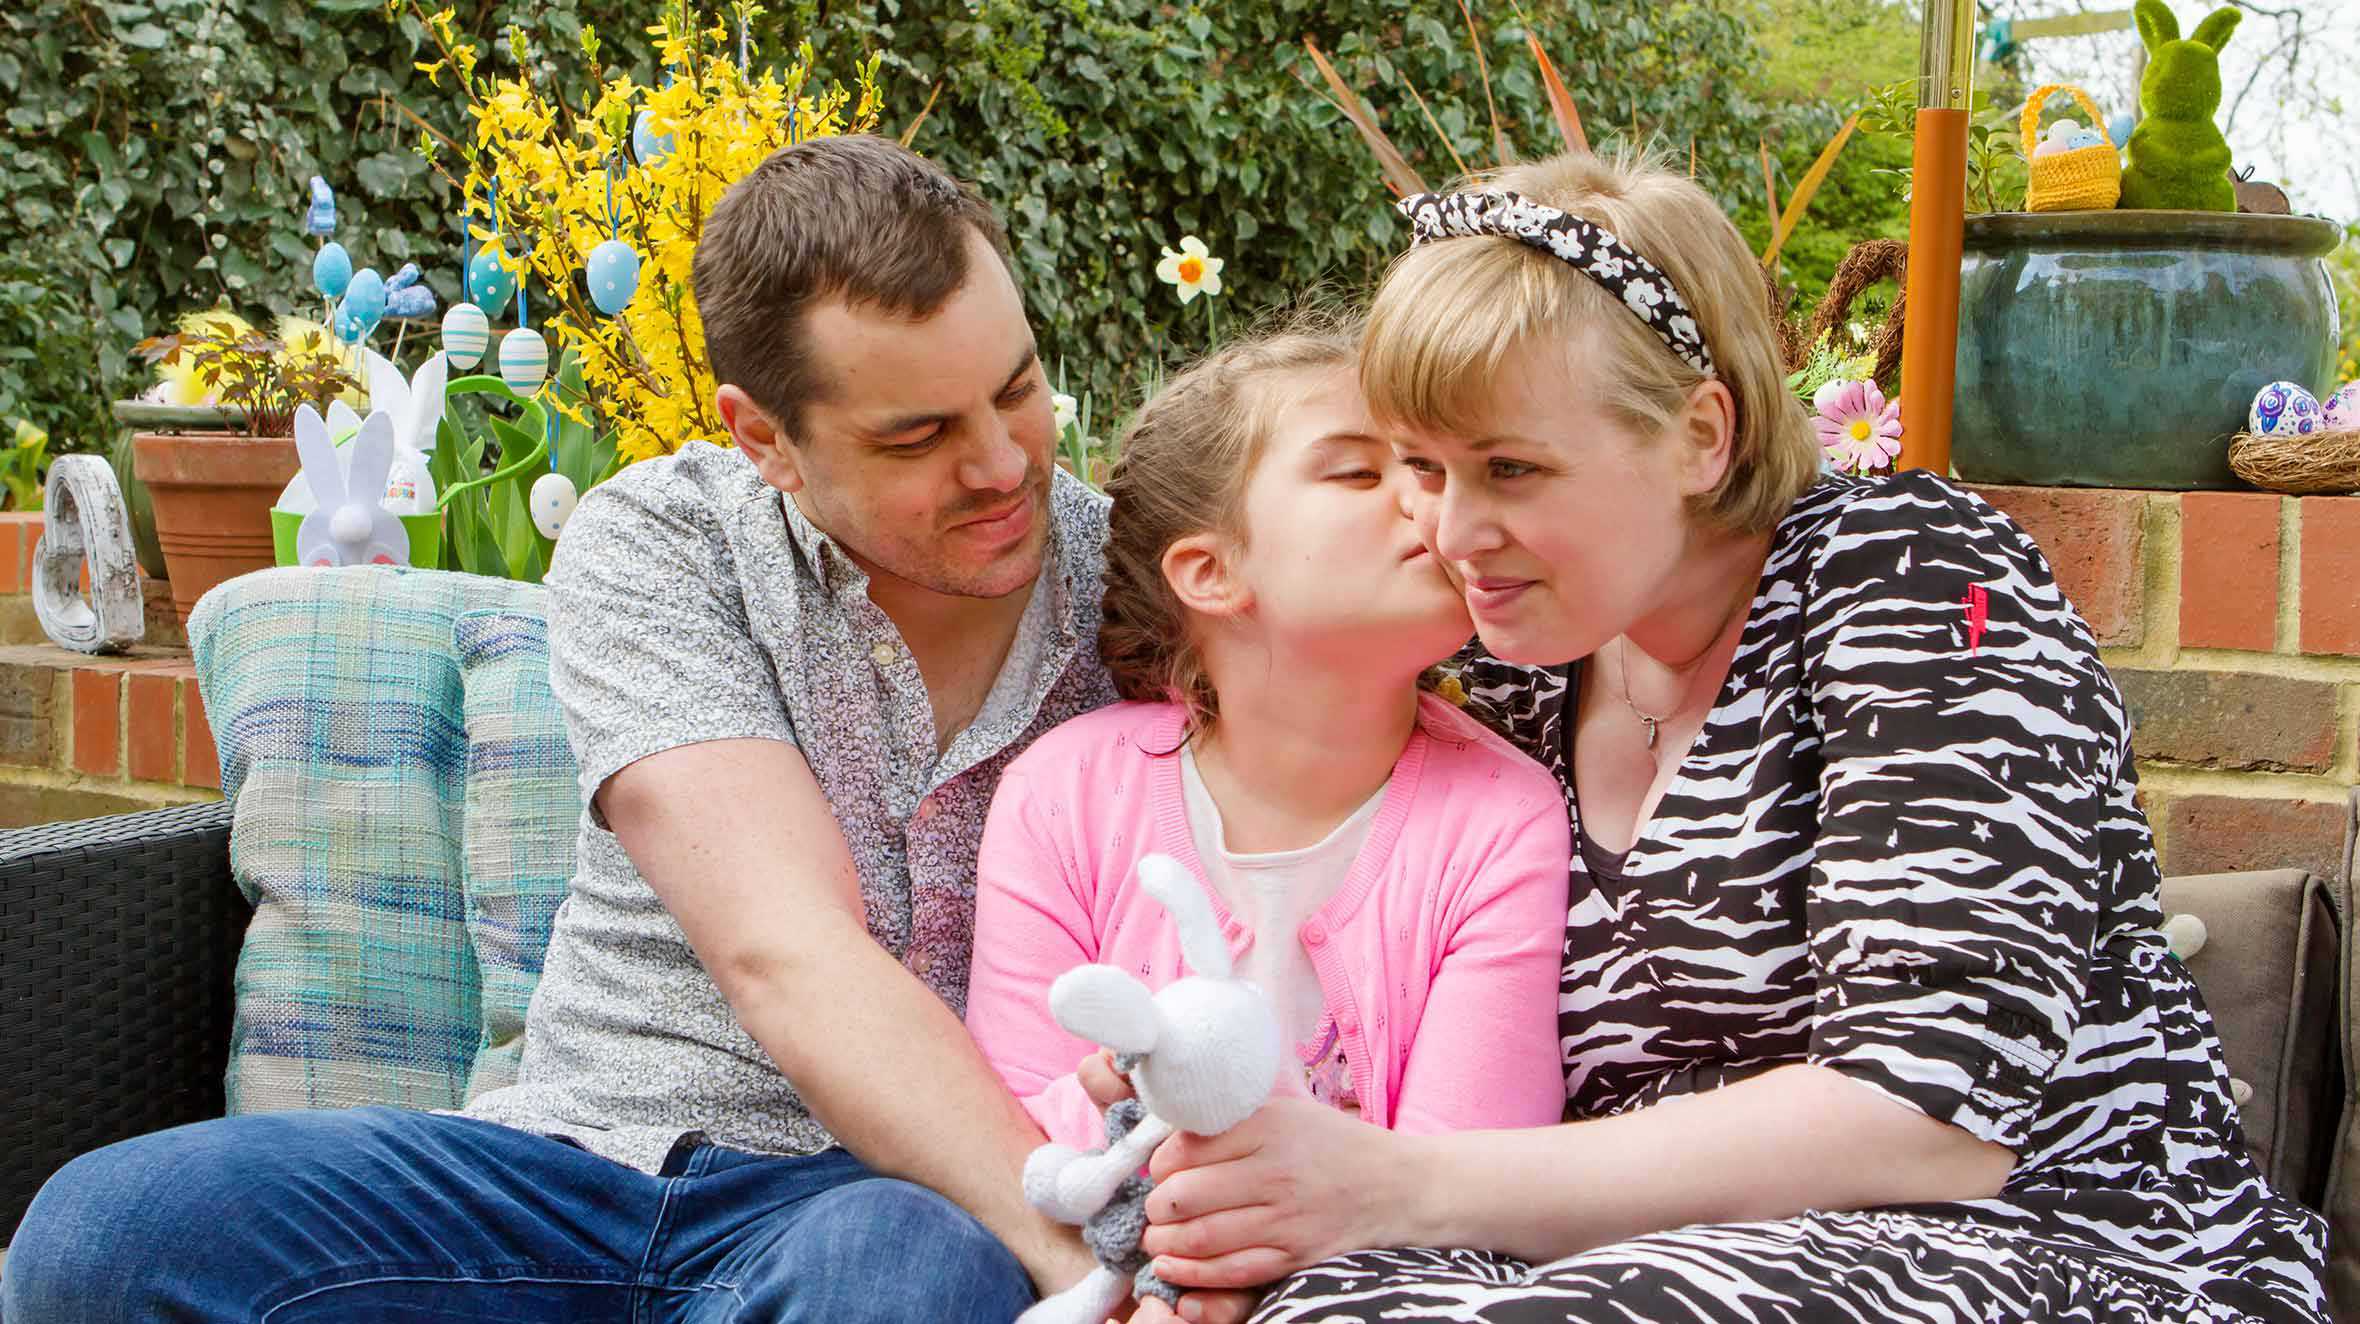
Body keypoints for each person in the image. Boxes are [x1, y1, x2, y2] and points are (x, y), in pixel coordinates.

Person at [1125, 150, 2333, 1324]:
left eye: (1509, 468)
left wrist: (1400, 1186)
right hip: (1648, 1262)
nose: (1452, 528)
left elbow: (1926, 1119)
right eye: (1420, 469)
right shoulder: (1519, 689)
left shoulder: (1912, 579)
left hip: (2057, 1243)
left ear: (1701, 434)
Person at [3, 135, 1112, 1322]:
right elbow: (785, 952)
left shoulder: (1139, 591)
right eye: (918, 436)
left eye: (1015, 388)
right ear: (763, 438)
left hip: (877, 1202)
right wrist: (1082, 1264)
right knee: (105, 1233)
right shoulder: (672, 541)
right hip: (570, 1174)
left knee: (907, 1275)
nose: (1003, 464)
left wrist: (1088, 1252)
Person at [965, 324, 1568, 1169]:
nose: (1428, 499)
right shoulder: (1064, 795)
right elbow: (1009, 1134)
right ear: (1211, 573)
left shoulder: (1502, 819)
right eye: (1361, 471)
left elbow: (1471, 1175)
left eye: (1426, 467)